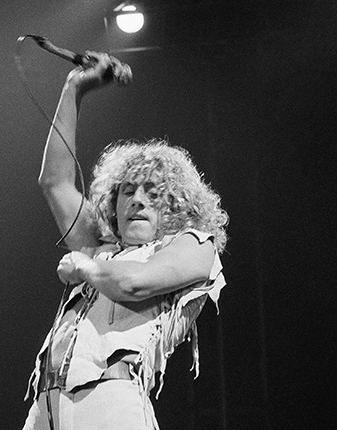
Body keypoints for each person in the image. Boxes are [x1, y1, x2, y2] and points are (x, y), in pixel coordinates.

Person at [22, 52, 228, 430]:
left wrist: (85, 266)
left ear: (176, 205)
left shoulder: (195, 244)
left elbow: (136, 282)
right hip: (45, 409)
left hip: (110, 404)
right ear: (112, 205)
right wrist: (74, 88)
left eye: (153, 192)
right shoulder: (101, 248)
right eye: (127, 191)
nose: (137, 199)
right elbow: (55, 182)